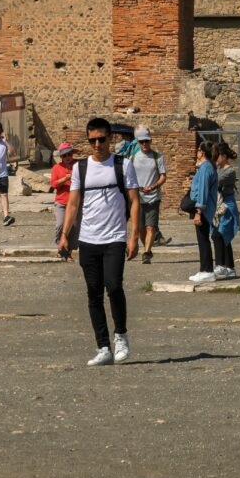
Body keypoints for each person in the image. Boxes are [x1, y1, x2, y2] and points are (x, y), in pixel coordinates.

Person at [60, 117, 140, 366]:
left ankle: (121, 336)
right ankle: (103, 346)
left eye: (101, 139)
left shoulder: (123, 165)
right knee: (93, 294)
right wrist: (64, 235)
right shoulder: (80, 168)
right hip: (88, 239)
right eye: (92, 140)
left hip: (115, 237)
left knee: (114, 287)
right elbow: (73, 203)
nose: (97, 144)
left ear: (110, 138)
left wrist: (133, 236)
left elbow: (135, 201)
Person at [129, 126, 168, 263]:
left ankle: (147, 252)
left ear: (150, 141)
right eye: (142, 142)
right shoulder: (133, 158)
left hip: (153, 197)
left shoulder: (158, 157)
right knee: (140, 229)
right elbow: (129, 177)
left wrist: (154, 186)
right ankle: (146, 246)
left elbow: (163, 176)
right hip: (137, 199)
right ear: (138, 143)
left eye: (147, 141)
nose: (145, 144)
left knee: (150, 226)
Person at [186, 141, 220, 284]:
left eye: (199, 150)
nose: (197, 152)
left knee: (203, 240)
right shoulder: (206, 166)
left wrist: (198, 211)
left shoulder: (206, 167)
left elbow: (203, 191)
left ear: (203, 152)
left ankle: (207, 271)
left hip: (203, 210)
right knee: (203, 239)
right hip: (206, 209)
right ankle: (205, 270)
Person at [211, 143, 240, 279]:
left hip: (226, 206)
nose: (216, 159)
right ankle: (229, 267)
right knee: (221, 235)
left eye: (217, 156)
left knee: (221, 234)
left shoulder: (230, 171)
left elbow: (214, 181)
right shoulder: (217, 168)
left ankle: (221, 265)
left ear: (223, 156)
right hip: (218, 205)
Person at [50, 143, 76, 248]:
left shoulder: (77, 166)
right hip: (61, 201)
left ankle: (69, 251)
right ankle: (59, 246)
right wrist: (65, 179)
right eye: (64, 156)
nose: (67, 157)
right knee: (60, 225)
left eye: (69, 154)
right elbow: (53, 184)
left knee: (74, 227)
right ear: (61, 157)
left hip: (74, 202)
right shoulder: (56, 168)